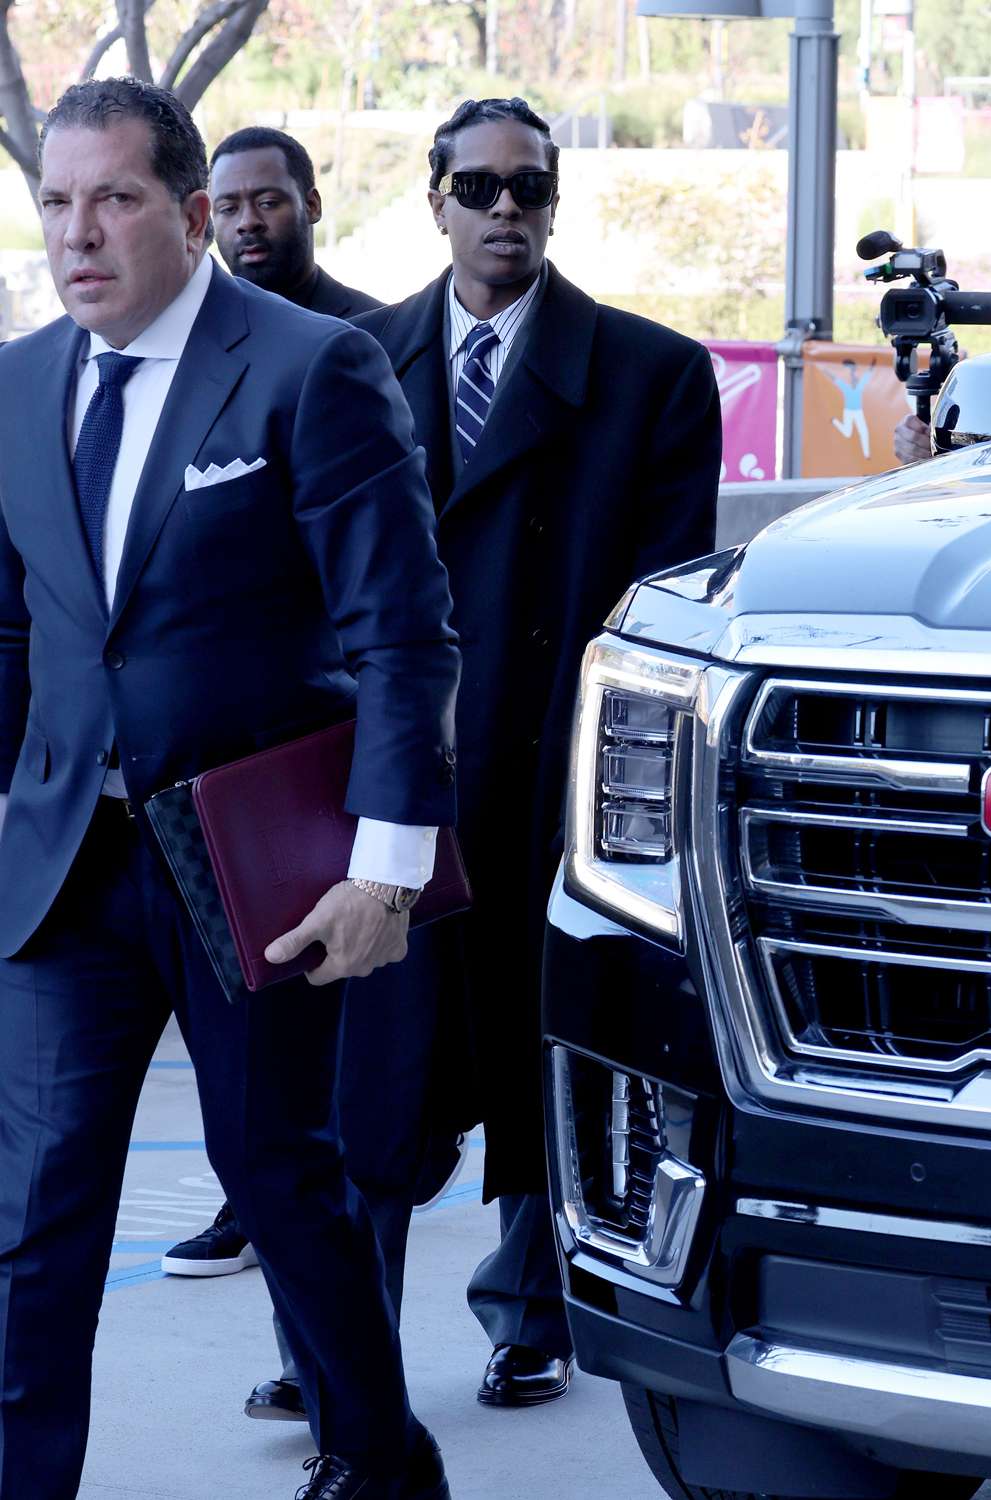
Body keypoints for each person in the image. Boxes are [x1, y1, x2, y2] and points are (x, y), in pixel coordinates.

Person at [0, 76, 460, 1500]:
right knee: (34, 1209)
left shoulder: (308, 368)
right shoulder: (17, 382)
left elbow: (402, 631)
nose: (80, 236)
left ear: (192, 215)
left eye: (116, 200)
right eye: (56, 205)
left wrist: (387, 869)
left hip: (255, 872)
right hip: (67, 861)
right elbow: (16, 628)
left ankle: (380, 1466)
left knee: (281, 1182)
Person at [238, 94, 721, 1421]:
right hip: (384, 786)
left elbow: (664, 615)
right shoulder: (346, 358)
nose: (506, 209)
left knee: (540, 1057)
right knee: (367, 1074)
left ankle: (531, 1316)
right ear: (434, 200)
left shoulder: (651, 374)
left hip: (549, 787)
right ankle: (335, 1340)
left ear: (555, 202)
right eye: (480, 187)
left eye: (530, 187)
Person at [209, 125, 381, 317]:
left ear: (312, 205)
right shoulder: (197, 331)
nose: (247, 222)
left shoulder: (378, 328)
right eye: (229, 209)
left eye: (267, 203)